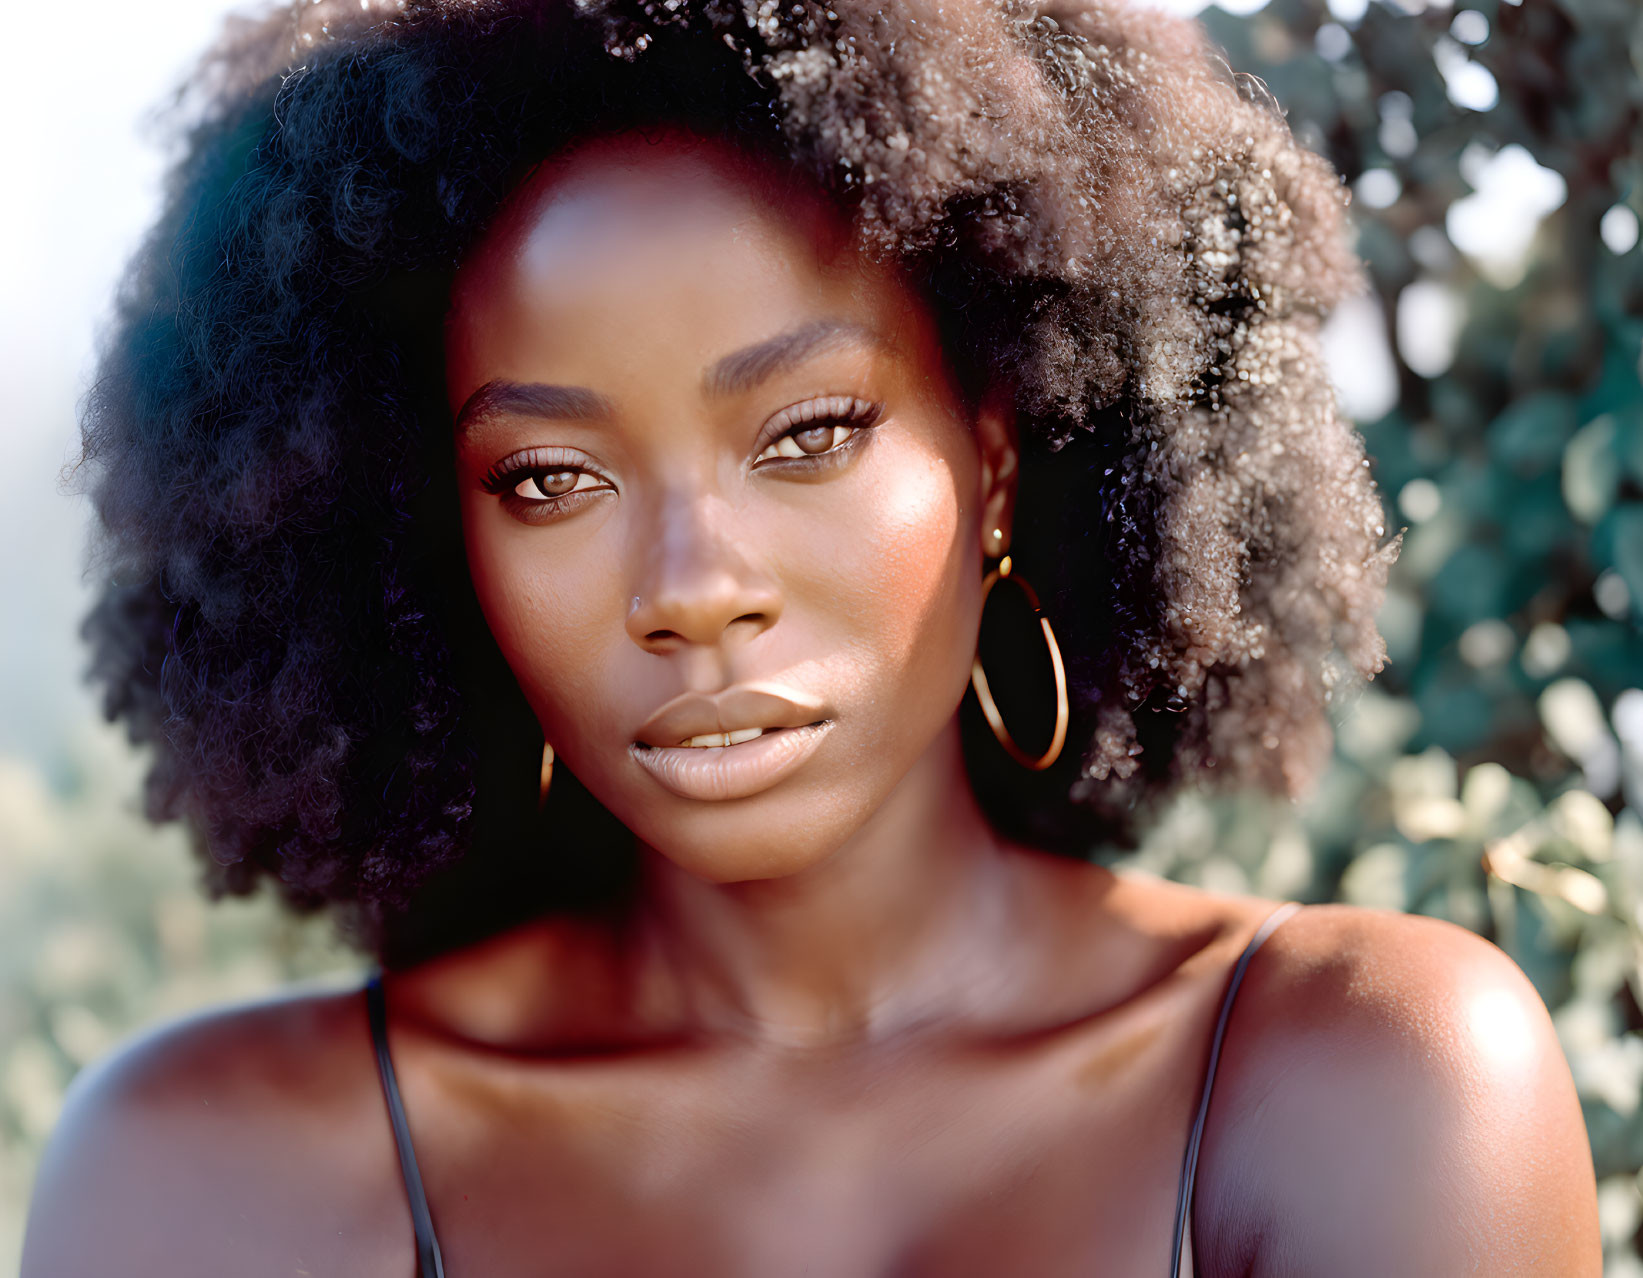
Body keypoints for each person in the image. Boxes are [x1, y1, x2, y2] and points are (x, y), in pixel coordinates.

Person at [23, 0, 1600, 1273]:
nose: (691, 584)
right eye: (550, 478)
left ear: (996, 445)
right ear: (434, 543)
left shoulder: (1355, 1086)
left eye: (809, 432)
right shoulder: (218, 1178)